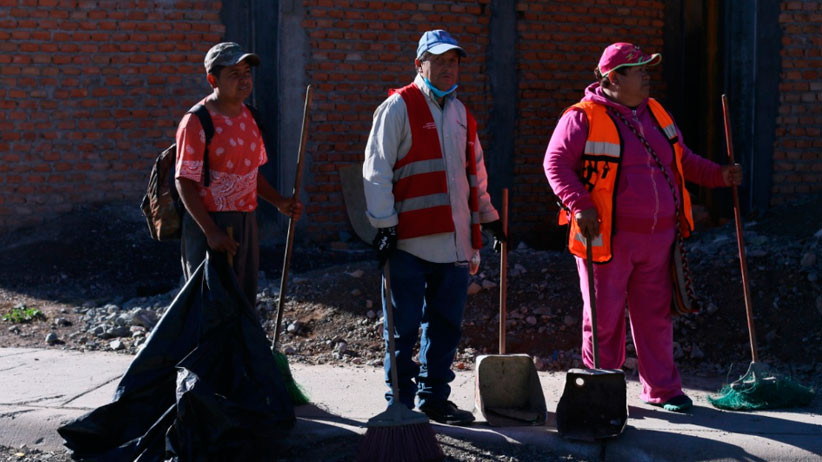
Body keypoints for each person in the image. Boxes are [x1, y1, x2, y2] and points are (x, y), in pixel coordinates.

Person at [544, 42, 743, 412]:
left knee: (655, 318)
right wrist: (580, 204)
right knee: (603, 320)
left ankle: (663, 390)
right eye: (639, 70)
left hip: (659, 239)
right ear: (613, 79)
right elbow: (555, 164)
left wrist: (719, 175)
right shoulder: (581, 117)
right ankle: (602, 390)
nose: (647, 75)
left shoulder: (656, 112)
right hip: (605, 238)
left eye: (647, 68)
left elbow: (682, 160)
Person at [363, 29, 505, 425]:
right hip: (408, 243)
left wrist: (488, 217)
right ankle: (399, 403)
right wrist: (384, 226)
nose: (448, 67)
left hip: (455, 243)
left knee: (445, 327)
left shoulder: (461, 114)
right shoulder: (398, 107)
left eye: (453, 60)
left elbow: (475, 173)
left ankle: (434, 399)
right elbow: (376, 170)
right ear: (419, 64)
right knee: (403, 329)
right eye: (439, 60)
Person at [175, 42, 302, 307]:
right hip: (209, 223)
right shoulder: (197, 121)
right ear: (213, 80)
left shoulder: (250, 117)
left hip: (245, 222)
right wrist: (211, 231)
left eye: (246, 73)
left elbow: (250, 172)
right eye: (234, 74)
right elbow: (184, 180)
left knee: (242, 302)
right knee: (208, 306)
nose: (244, 80)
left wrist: (279, 201)